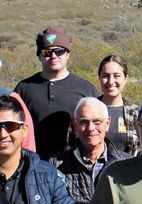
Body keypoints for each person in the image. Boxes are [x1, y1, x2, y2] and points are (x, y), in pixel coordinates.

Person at [13, 25, 97, 159]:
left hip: (75, 166)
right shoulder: (23, 88)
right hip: (33, 164)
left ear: (68, 54)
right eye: (46, 52)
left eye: (59, 51)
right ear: (39, 57)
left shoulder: (86, 89)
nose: (53, 56)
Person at [97, 54, 140, 157]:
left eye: (116, 76)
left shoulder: (135, 113)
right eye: (105, 76)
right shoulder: (89, 110)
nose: (111, 81)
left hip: (128, 170)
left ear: (125, 78)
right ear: (99, 78)